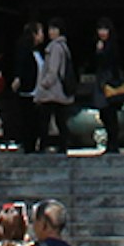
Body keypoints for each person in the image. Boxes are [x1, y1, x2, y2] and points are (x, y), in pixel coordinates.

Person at [29, 22, 74, 152]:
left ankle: (44, 145)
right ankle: (63, 145)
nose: (51, 32)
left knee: (46, 120)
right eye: (50, 29)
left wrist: (43, 84)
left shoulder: (55, 47)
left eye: (54, 29)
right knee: (60, 119)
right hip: (60, 90)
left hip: (52, 91)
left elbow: (53, 71)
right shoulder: (64, 47)